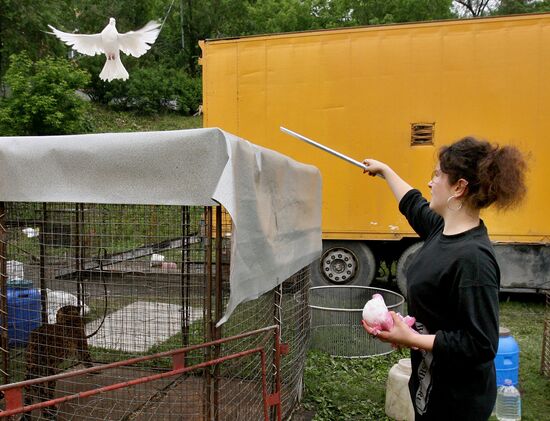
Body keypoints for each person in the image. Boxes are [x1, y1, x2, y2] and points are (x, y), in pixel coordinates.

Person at [361, 136, 527, 421]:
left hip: (458, 401)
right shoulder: (443, 230)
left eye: (437, 175)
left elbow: (481, 344)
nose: (430, 183)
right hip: (431, 385)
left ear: (459, 187)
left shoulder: (473, 260)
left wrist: (412, 337)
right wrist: (385, 171)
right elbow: (413, 203)